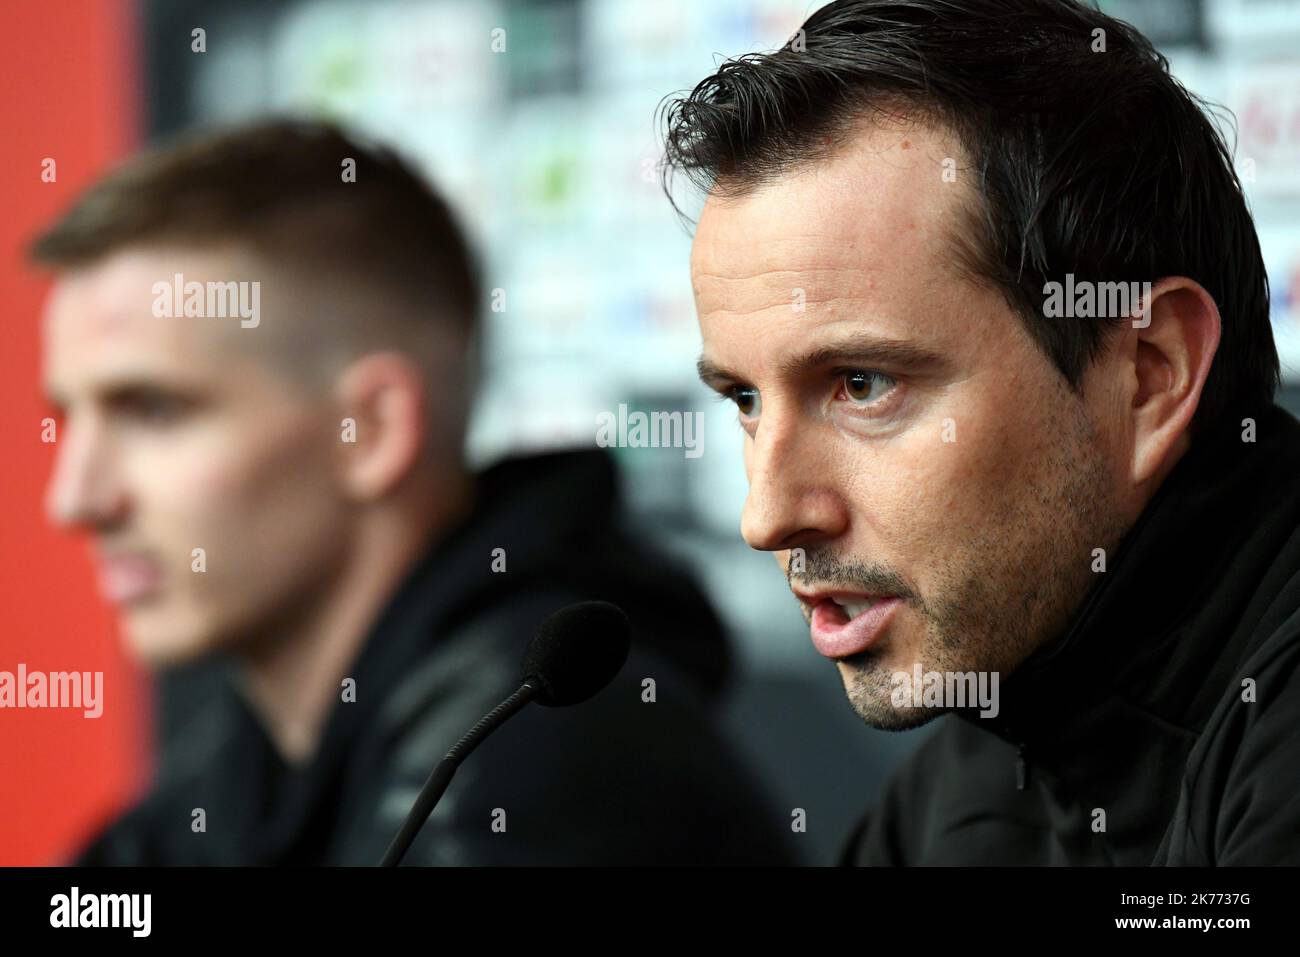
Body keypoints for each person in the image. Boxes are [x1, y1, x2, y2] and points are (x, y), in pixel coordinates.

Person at [35, 119, 794, 865]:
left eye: (153, 411)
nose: (75, 499)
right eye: (68, 416)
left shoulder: (529, 777)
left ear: (369, 429)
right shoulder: (231, 781)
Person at [662, 0, 1300, 864]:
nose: (766, 518)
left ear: (1148, 375)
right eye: (744, 399)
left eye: (862, 385)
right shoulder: (978, 764)